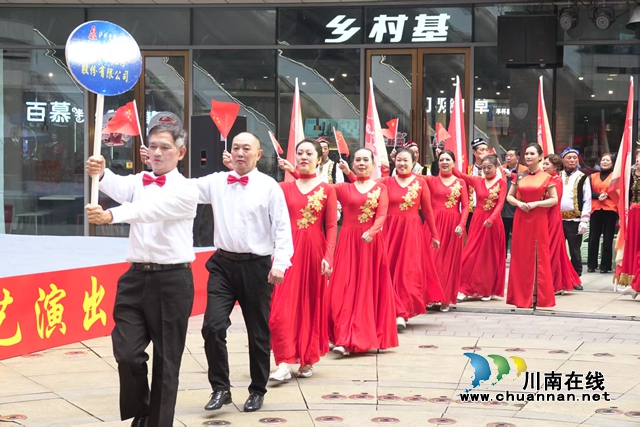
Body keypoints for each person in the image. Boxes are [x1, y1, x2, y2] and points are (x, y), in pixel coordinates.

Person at [85, 124, 199, 427]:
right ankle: (144, 410)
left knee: (166, 361)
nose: (158, 152)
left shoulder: (187, 190)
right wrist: (101, 170)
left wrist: (111, 215)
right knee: (127, 353)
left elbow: (150, 209)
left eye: (165, 146)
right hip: (135, 279)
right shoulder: (138, 181)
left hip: (172, 281)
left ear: (181, 152)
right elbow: (116, 186)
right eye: (153, 146)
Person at [193, 132, 293, 413]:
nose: (239, 153)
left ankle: (257, 389)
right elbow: (182, 190)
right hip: (223, 265)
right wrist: (155, 163)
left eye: (246, 148)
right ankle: (220, 388)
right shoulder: (216, 182)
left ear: (258, 155)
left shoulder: (269, 186)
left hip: (257, 267)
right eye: (235, 147)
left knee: (258, 333)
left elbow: (283, 227)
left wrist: (280, 263)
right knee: (212, 326)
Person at [342, 148, 442, 329]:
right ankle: (389, 309)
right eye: (399, 160)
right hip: (387, 231)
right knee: (387, 270)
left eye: (406, 160)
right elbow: (363, 187)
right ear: (394, 161)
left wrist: (434, 234)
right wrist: (348, 172)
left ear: (413, 162)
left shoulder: (420, 183)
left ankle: (401, 312)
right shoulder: (385, 182)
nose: (402, 164)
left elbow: (427, 211)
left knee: (406, 272)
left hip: (410, 232)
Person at [268, 139, 338, 381]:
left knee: (310, 305)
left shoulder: (328, 190)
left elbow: (330, 226)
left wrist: (328, 256)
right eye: (300, 153)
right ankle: (285, 361)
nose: (304, 156)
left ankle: (306, 357)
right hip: (287, 253)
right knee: (280, 308)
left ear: (319, 158)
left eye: (309, 153)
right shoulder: (282, 188)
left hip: (314, 253)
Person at [324, 148, 398, 355]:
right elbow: (316, 189)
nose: (362, 163)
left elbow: (382, 214)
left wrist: (372, 232)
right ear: (352, 163)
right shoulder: (343, 188)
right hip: (347, 242)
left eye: (366, 159)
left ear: (373, 164)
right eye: (358, 160)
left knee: (365, 290)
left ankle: (352, 339)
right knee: (342, 289)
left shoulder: (380, 188)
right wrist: (294, 172)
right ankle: (342, 334)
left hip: (370, 245)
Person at [506, 143, 558, 309]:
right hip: (521, 217)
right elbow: (510, 197)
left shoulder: (547, 177)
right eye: (526, 154)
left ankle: (537, 295)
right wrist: (519, 204)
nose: (528, 156)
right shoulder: (520, 176)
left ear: (540, 156)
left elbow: (554, 199)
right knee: (521, 255)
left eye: (532, 154)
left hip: (538, 218)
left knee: (538, 254)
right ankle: (521, 295)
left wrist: (535, 203)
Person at [454, 154, 507, 302]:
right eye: (484, 168)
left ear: (496, 167)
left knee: (489, 257)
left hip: (493, 223)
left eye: (489, 167)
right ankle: (464, 288)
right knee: (470, 253)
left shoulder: (501, 183)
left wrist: (492, 218)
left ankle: (486, 289)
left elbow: (500, 203)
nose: (487, 170)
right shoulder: (477, 181)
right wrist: (448, 160)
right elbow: (459, 174)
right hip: (478, 221)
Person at [423, 150, 469, 311]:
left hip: (452, 225)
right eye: (441, 159)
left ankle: (445, 298)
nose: (444, 162)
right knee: (431, 259)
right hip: (433, 223)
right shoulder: (430, 180)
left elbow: (465, 206)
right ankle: (429, 295)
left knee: (449, 262)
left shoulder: (460, 182)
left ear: (454, 163)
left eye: (447, 159)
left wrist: (461, 225)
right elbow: (409, 176)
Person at [543, 154, 582, 295]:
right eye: (544, 164)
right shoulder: (545, 178)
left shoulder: (556, 180)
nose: (544, 166)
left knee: (552, 248)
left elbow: (554, 200)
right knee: (552, 249)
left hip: (552, 217)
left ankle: (554, 282)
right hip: (543, 216)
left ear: (555, 166)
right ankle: (556, 281)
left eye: (547, 164)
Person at [560, 148, 592, 290]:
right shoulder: (557, 175)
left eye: (574, 157)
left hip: (575, 220)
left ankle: (576, 278)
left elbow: (587, 199)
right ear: (563, 160)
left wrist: (584, 220)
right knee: (557, 249)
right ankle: (559, 277)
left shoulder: (583, 177)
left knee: (575, 251)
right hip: (557, 219)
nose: (572, 160)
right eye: (569, 157)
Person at [588, 153, 618, 274]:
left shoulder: (615, 176)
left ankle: (605, 265)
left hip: (610, 209)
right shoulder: (592, 176)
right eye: (603, 160)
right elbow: (588, 191)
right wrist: (597, 195)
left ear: (612, 163)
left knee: (608, 238)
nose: (605, 162)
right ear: (599, 162)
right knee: (593, 237)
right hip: (595, 208)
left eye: (608, 160)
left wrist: (608, 195)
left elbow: (618, 191)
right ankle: (591, 264)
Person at [617, 150, 640, 297]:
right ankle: (635, 284)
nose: (638, 161)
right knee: (634, 248)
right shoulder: (631, 176)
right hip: (634, 214)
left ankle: (636, 286)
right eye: (637, 159)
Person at [501, 149, 527, 254]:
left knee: (518, 237)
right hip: (502, 209)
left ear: (517, 158)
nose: (508, 158)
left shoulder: (524, 169)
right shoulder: (500, 169)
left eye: (511, 155)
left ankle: (518, 258)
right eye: (506, 155)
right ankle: (502, 260)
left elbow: (526, 181)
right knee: (503, 237)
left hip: (518, 208)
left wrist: (512, 175)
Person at [467, 138, 490, 231]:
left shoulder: (494, 171)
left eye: (486, 149)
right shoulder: (468, 170)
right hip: (471, 211)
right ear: (474, 152)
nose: (485, 152)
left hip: (487, 210)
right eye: (482, 150)